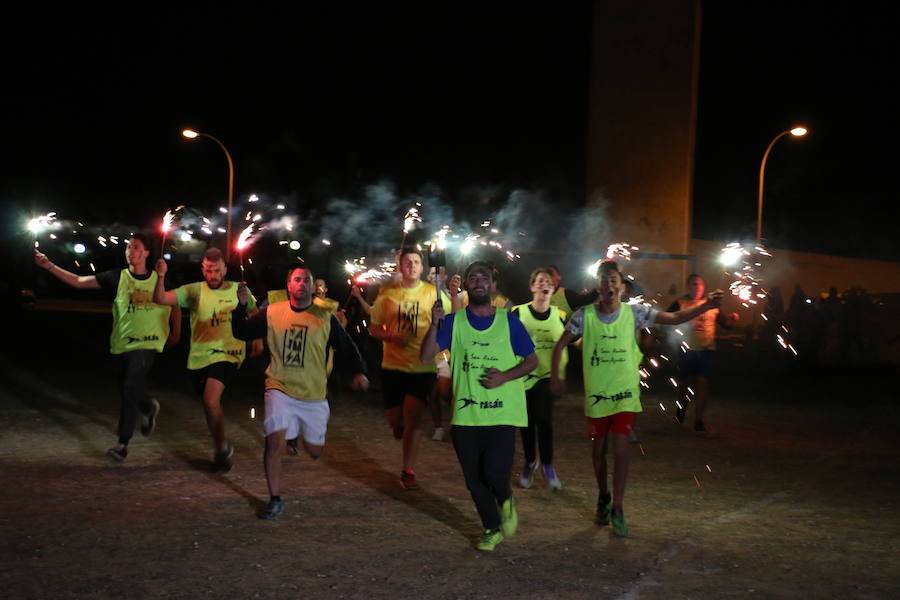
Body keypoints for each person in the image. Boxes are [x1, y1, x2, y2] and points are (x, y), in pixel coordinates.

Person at [551, 261, 724, 536]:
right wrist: (556, 375)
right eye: (604, 280)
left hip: (625, 395)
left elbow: (674, 318)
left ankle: (618, 508)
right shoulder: (584, 316)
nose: (609, 284)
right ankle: (604, 496)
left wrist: (706, 306)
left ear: (621, 287)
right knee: (598, 453)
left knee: (620, 451)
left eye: (614, 280)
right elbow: (560, 343)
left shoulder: (635, 313)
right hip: (597, 395)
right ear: (599, 286)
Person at [232, 266, 369, 520]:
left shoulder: (324, 315)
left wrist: (359, 371)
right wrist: (240, 307)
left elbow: (347, 348)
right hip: (279, 387)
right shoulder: (272, 312)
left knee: (315, 451)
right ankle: (274, 499)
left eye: (306, 280)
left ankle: (296, 431)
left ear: (311, 286)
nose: (302, 284)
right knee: (273, 442)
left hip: (313, 395)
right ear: (289, 285)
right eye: (297, 279)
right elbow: (241, 332)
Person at [421, 261, 538, 551]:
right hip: (466, 414)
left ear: (493, 286)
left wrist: (504, 377)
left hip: (502, 412)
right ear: (466, 286)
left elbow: (532, 360)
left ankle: (506, 499)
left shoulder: (508, 320)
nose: (478, 281)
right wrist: (434, 322)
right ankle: (491, 528)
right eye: (473, 277)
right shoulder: (454, 322)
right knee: (474, 480)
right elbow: (426, 357)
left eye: (484, 277)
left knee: (495, 474)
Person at [34, 234, 180, 461]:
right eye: (129, 247)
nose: (132, 251)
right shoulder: (116, 277)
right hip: (121, 343)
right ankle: (148, 406)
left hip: (148, 342)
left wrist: (176, 330)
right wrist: (49, 265)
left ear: (147, 253)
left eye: (138, 248)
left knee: (130, 385)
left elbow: (176, 302)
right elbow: (79, 281)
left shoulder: (159, 278)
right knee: (127, 387)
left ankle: (122, 443)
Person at [153, 247, 258, 472]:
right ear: (203, 269)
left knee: (210, 400)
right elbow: (161, 298)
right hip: (199, 357)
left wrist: (258, 338)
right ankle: (222, 446)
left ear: (225, 270)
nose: (213, 276)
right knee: (209, 405)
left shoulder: (239, 290)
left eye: (217, 271)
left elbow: (254, 312)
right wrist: (161, 276)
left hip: (228, 353)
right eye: (209, 271)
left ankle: (220, 449)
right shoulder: (194, 291)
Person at [368, 247, 440, 489]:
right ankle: (398, 426)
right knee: (395, 420)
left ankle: (408, 470)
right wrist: (391, 336)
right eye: (407, 262)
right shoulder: (387, 293)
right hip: (393, 366)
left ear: (423, 267)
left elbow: (450, 322)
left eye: (416, 262)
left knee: (413, 418)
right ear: (400, 266)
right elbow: (374, 327)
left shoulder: (433, 293)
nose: (412, 265)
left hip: (422, 366)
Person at [511, 267, 568, 490]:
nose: (545, 284)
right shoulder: (517, 313)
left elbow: (573, 341)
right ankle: (530, 462)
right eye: (540, 281)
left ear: (553, 289)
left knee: (543, 418)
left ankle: (547, 466)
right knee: (527, 422)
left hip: (548, 377)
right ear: (532, 286)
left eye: (549, 282)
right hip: (522, 376)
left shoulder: (560, 316)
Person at [667, 274, 738, 433]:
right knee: (683, 384)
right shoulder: (680, 303)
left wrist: (732, 319)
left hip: (706, 350)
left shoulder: (712, 305)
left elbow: (725, 324)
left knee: (702, 382)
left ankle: (698, 420)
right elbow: (667, 319)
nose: (697, 287)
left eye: (700, 284)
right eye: (694, 284)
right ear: (688, 286)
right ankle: (682, 407)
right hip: (685, 350)